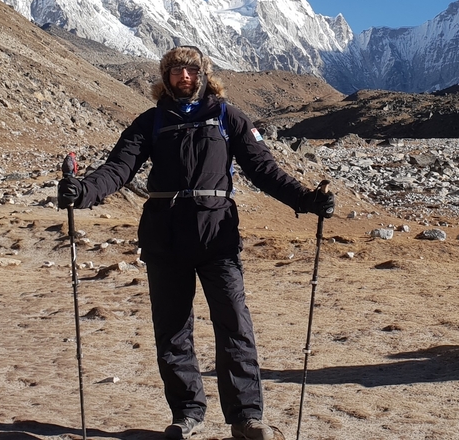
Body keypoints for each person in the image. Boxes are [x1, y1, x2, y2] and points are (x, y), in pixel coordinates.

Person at [56, 46, 336, 440]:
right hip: (164, 238)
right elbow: (119, 168)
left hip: (216, 237)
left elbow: (263, 169)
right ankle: (186, 413)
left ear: (203, 75)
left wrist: (307, 200)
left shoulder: (227, 116)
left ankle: (246, 418)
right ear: (165, 77)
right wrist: (83, 191)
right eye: (175, 71)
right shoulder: (151, 121)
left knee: (235, 324)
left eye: (190, 70)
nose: (183, 76)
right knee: (172, 330)